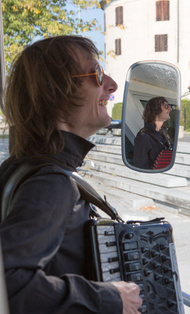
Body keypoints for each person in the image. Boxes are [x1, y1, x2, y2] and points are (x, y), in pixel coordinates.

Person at [0, 35, 142, 313]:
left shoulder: (21, 166)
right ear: (57, 91)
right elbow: (8, 283)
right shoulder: (51, 183)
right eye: (97, 73)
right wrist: (110, 298)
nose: (112, 85)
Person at [133, 97, 173, 169]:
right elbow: (140, 167)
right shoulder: (143, 137)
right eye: (166, 106)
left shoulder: (164, 132)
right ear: (155, 110)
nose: (170, 109)